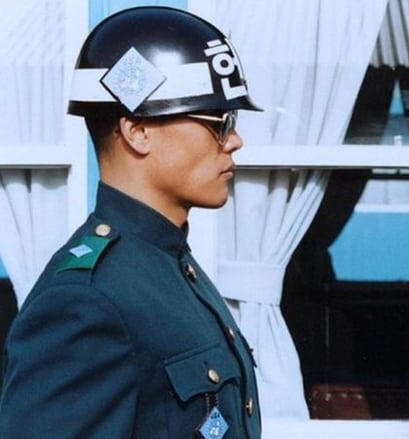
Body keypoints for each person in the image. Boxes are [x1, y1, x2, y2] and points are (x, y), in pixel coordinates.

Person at [0, 7, 262, 438]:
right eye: (220, 122)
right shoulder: (84, 302)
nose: (235, 140)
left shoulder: (170, 267)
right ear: (138, 131)